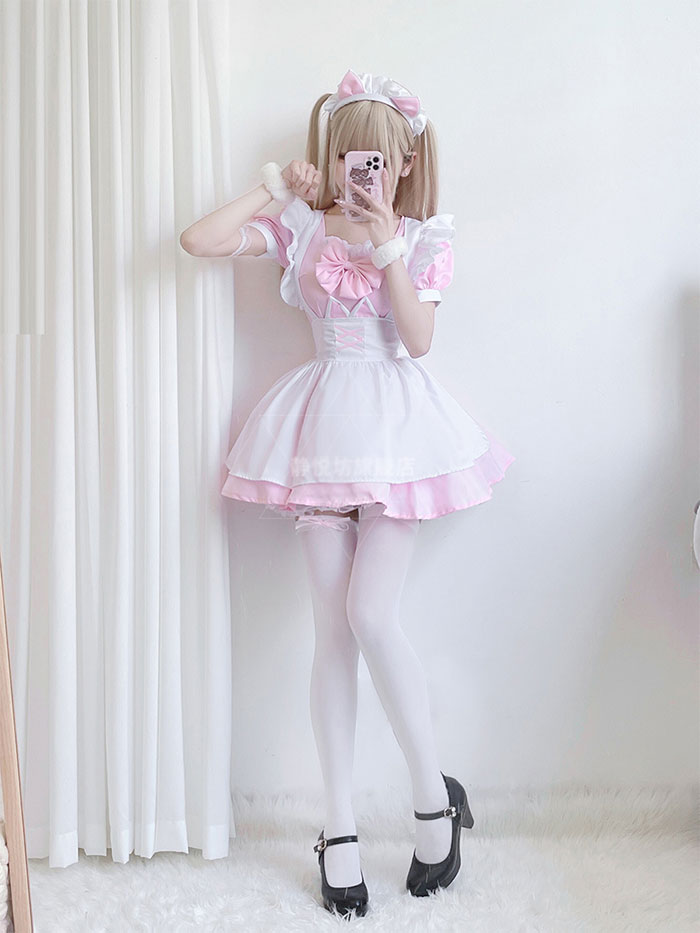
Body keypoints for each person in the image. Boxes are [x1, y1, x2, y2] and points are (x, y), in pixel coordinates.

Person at [180, 68, 515, 918]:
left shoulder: (424, 237)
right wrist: (271, 186)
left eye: (376, 158)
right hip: (322, 427)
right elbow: (200, 240)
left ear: (404, 163)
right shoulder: (302, 227)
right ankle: (338, 826)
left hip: (398, 434)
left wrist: (387, 241)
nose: (360, 171)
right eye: (347, 156)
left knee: (371, 613)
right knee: (332, 628)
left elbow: (418, 338)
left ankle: (433, 799)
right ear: (330, 157)